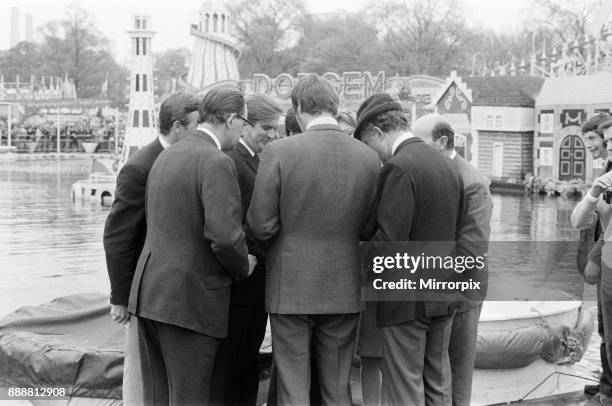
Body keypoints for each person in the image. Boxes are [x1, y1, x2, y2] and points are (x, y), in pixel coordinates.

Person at [248, 74, 380, 405]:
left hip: (290, 286)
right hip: (345, 284)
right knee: (337, 387)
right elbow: (371, 226)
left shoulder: (279, 151)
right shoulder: (367, 156)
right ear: (334, 108)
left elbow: (260, 224)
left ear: (298, 107)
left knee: (293, 386)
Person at [127, 87, 255, 405]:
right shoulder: (217, 162)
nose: (243, 132)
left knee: (158, 395)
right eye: (244, 124)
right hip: (190, 299)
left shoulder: (165, 155)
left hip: (150, 294)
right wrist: (245, 265)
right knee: (191, 397)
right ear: (230, 119)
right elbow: (224, 237)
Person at [353, 94, 464, 406]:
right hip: (442, 290)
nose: (370, 153)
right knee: (435, 385)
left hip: (408, 299)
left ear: (377, 132)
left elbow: (390, 243)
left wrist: (356, 257)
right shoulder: (445, 164)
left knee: (404, 387)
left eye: (366, 143)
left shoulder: (399, 167)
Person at [102, 92, 200, 406]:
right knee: (142, 373)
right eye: (197, 124)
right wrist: (120, 296)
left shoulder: (188, 157)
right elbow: (118, 236)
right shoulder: (139, 167)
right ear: (177, 126)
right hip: (146, 291)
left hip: (175, 288)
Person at [413, 114, 493, 406]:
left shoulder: (471, 182)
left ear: (442, 141)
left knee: (457, 369)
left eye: (418, 141)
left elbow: (472, 248)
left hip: (461, 289)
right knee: (438, 370)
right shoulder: (437, 173)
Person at [211, 94, 283, 406]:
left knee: (248, 351)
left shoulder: (256, 159)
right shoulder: (231, 160)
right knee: (235, 355)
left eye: (276, 128)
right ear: (245, 125)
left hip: (256, 276)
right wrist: (256, 255)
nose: (273, 134)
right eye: (266, 127)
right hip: (243, 276)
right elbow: (234, 221)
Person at [574, 113, 612, 402]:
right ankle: (606, 382)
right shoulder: (604, 170)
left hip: (606, 253)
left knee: (607, 324)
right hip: (604, 254)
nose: (590, 144)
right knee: (603, 325)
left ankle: (608, 387)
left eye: (593, 139)